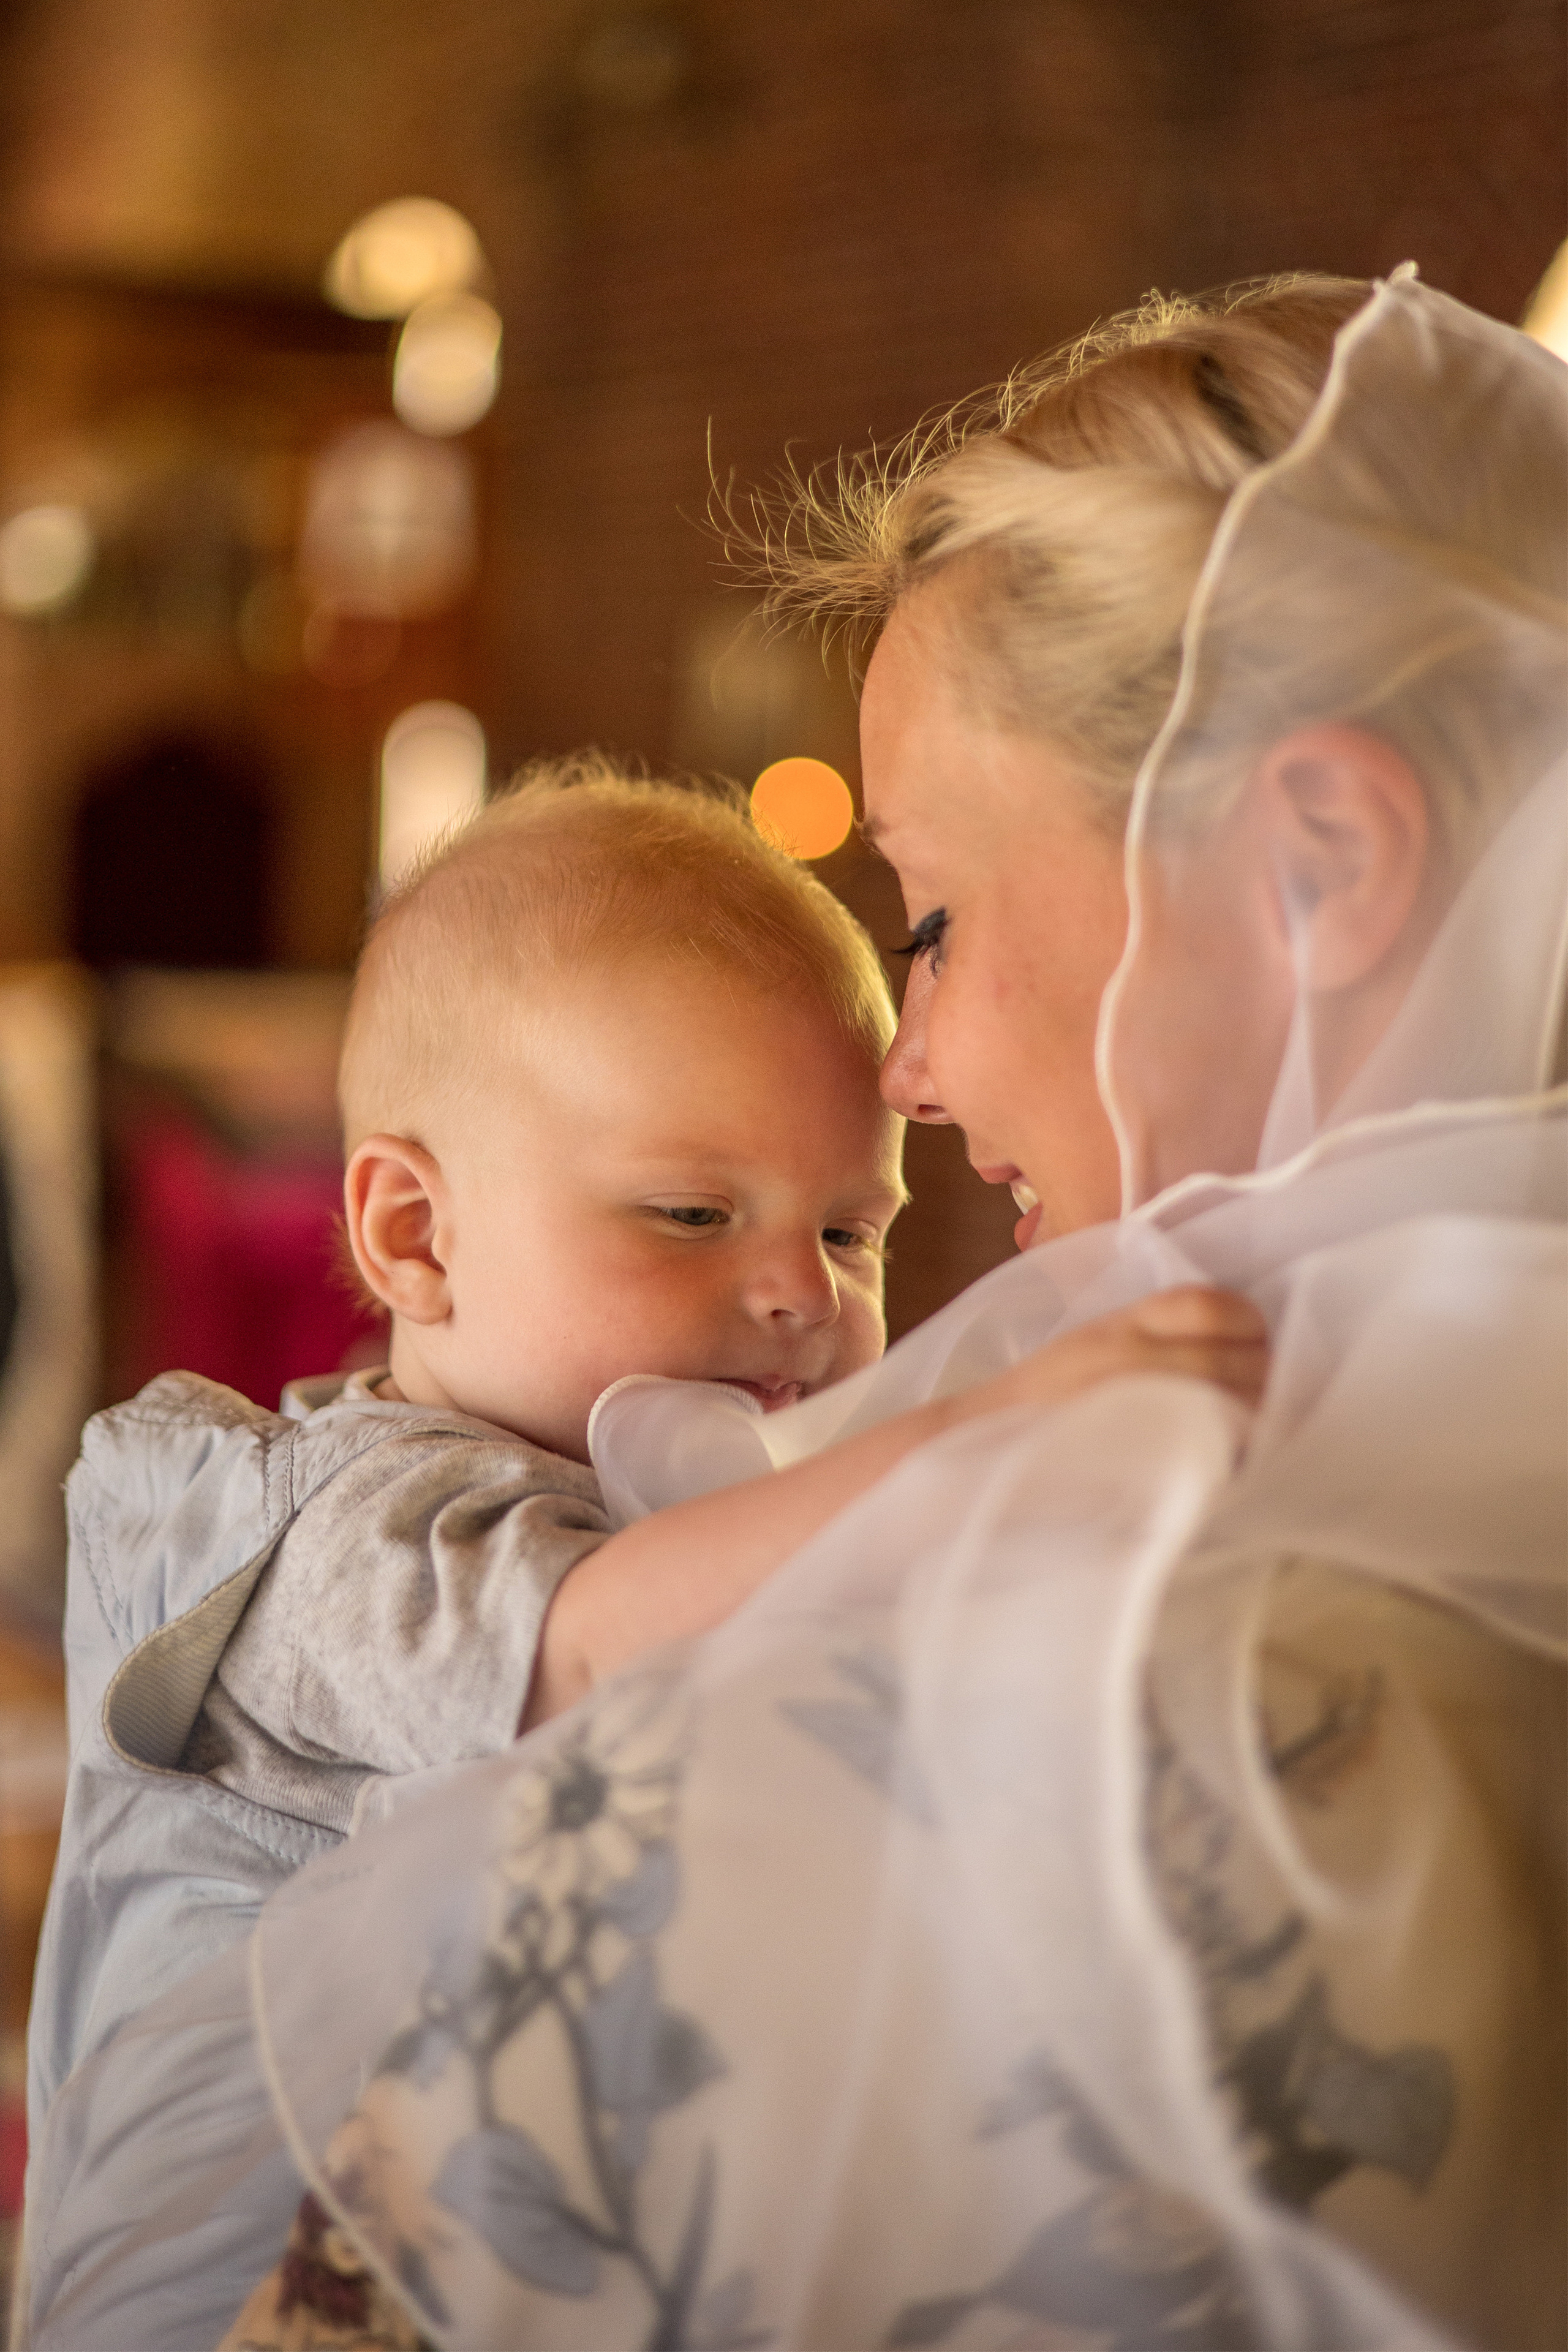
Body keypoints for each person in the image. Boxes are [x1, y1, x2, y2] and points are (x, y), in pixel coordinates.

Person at [20, 267, 1566, 2352]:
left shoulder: (1134, 1586)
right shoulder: (323, 1504)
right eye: (686, 1207)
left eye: (930, 918)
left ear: (1315, 859)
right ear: (406, 1234)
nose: (911, 1068)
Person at [24, 759, 1264, 2226]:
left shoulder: (692, 1502)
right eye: (691, 1213)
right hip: (232, 2270)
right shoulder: (328, 1535)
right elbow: (591, 1653)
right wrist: (987, 1442)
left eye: (852, 1231)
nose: (802, 1294)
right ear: (415, 1234)